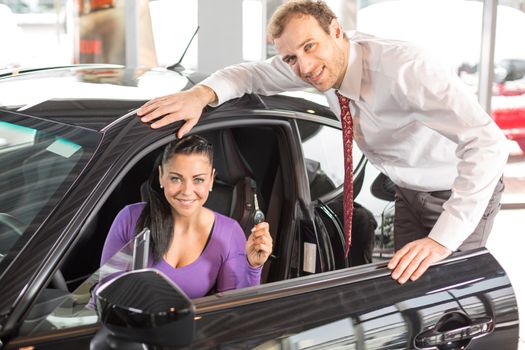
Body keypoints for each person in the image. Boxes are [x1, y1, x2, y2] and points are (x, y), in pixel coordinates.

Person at [136, 0, 507, 284]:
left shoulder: (406, 68)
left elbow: (488, 144)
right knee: (410, 292)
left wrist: (442, 240)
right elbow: (248, 74)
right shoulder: (317, 67)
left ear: (337, 31)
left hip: (459, 189)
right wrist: (200, 95)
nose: (304, 67)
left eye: (310, 46)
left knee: (454, 301)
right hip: (406, 190)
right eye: (291, 58)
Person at [99, 135, 273, 298]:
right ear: (161, 176)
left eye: (198, 180)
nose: (187, 191)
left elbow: (234, 310)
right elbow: (105, 294)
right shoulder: (130, 218)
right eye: (176, 179)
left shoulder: (229, 233)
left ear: (211, 179)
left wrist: (253, 266)